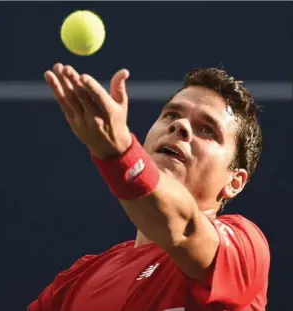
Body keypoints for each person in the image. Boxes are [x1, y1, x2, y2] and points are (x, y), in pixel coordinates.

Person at [28, 64, 270, 311]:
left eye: (207, 129)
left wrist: (119, 151)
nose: (180, 126)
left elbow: (184, 228)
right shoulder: (78, 279)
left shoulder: (245, 250)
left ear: (234, 182)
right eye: (171, 115)